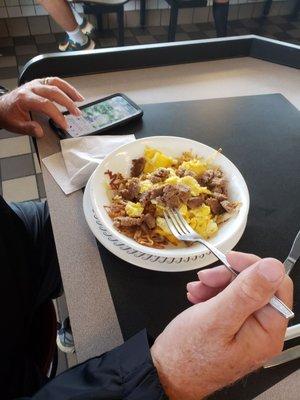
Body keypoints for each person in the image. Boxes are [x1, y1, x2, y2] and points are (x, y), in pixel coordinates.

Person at [0, 78, 293, 400]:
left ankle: (73, 323)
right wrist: (169, 376)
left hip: (14, 235)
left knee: (79, 236)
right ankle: (77, 326)